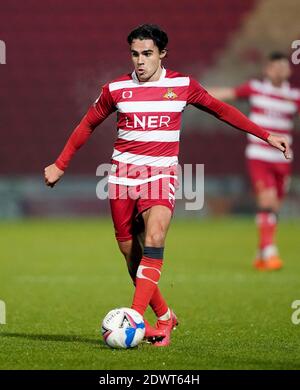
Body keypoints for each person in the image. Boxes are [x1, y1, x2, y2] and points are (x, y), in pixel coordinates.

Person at [44, 25, 290, 346]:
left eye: (147, 54)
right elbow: (87, 124)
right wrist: (61, 163)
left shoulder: (183, 85)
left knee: (156, 235)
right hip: (121, 179)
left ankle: (133, 317)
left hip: (161, 175)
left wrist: (266, 134)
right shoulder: (116, 89)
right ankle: (164, 316)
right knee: (131, 255)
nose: (140, 61)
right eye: (135, 54)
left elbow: (223, 110)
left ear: (162, 54)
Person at [209, 52, 299, 271]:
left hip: (283, 158)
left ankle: (261, 252)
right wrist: (196, 94)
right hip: (259, 155)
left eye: (283, 67)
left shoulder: (294, 95)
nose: (279, 70)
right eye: (275, 66)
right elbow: (227, 94)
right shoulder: (255, 88)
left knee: (274, 207)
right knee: (266, 201)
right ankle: (270, 250)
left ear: (289, 70)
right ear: (267, 69)